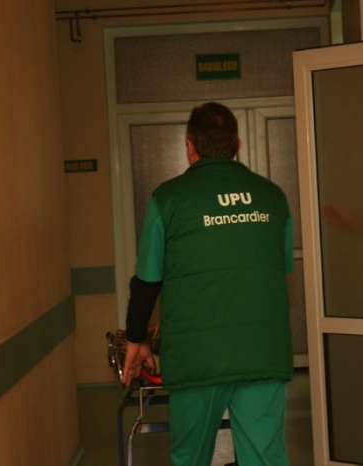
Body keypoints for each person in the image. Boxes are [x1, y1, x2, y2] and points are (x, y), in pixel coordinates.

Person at [122, 102, 294, 466]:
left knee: (190, 458)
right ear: (238, 145)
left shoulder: (167, 200)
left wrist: (136, 338)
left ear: (190, 146)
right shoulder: (273, 197)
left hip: (196, 357)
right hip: (262, 351)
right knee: (264, 459)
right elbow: (278, 269)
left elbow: (146, 282)